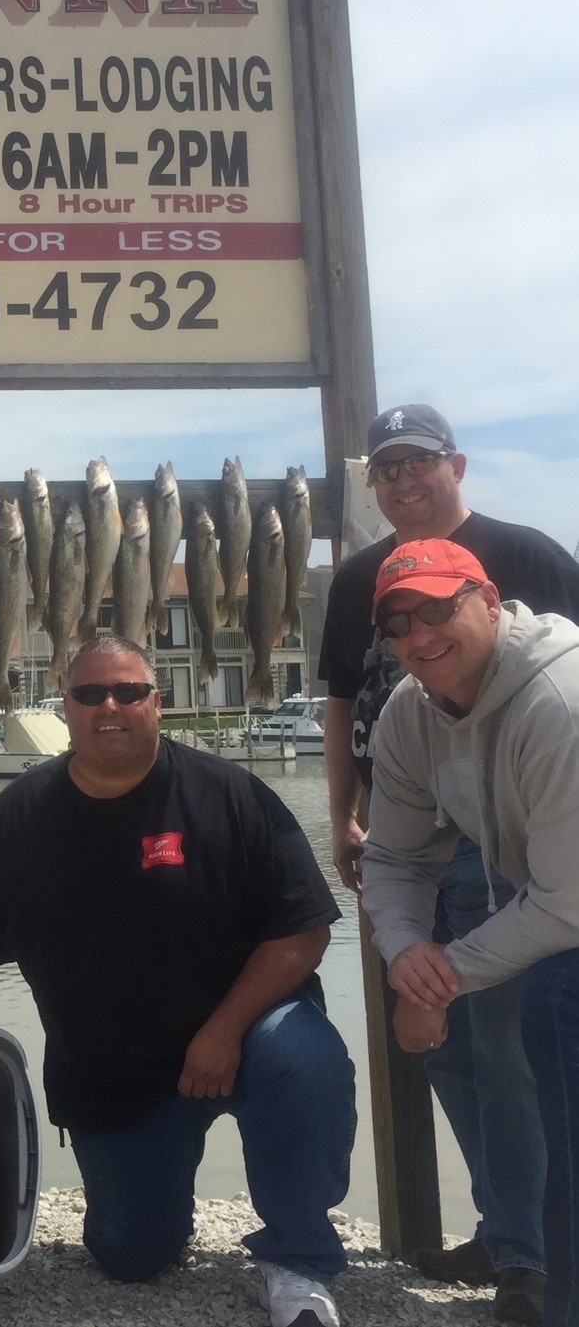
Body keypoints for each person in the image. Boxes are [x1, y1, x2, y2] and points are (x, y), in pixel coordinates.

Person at [0, 637, 355, 1327]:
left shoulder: (230, 794)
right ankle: (158, 1203)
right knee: (130, 1255)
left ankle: (298, 1260)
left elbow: (302, 932)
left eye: (128, 691)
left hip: (243, 1035)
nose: (109, 706)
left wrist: (220, 1031)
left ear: (156, 701)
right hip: (113, 1074)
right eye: (90, 693)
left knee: (304, 1056)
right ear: (64, 707)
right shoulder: (20, 813)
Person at [320, 404, 579, 1310]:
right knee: (467, 1055)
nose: (417, 636)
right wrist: (405, 954)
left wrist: (435, 977)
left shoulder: (555, 689)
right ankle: (516, 1241)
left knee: (536, 1042)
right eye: (398, 624)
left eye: (438, 612)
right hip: (474, 850)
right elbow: (394, 854)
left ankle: (544, 1274)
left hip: (555, 870)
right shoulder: (408, 704)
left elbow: (564, 898)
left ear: (489, 600)